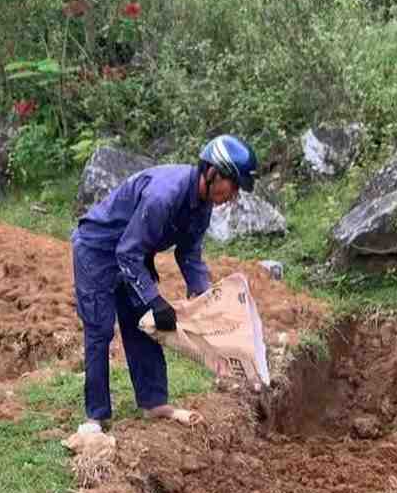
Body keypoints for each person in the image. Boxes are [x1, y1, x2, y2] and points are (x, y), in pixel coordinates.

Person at [71, 134, 258, 433]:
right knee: (100, 328)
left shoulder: (203, 205)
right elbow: (126, 252)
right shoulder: (164, 195)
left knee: (144, 323)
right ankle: (97, 415)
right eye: (233, 184)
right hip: (98, 249)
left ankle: (154, 402)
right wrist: (155, 300)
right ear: (212, 172)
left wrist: (204, 296)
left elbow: (189, 253)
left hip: (133, 250)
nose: (233, 194)